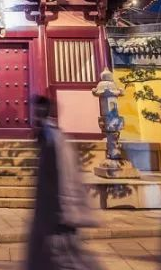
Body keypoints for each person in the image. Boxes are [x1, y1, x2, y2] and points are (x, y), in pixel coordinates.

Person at [25, 95, 102, 270]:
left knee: (68, 260)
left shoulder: (54, 138)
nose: (33, 116)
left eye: (36, 111)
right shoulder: (48, 136)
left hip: (57, 215)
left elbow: (65, 175)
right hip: (49, 214)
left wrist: (66, 210)